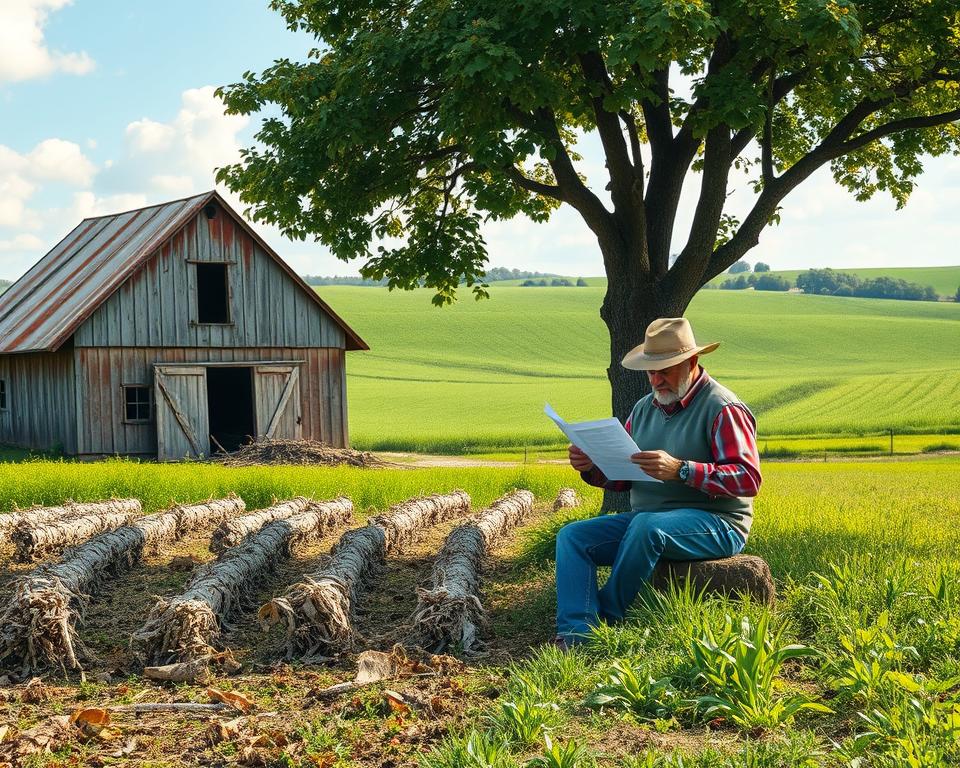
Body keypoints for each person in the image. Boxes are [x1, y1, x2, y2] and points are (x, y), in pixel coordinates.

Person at [555, 317, 761, 647]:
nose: (656, 379)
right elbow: (624, 479)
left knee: (648, 527)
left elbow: (748, 479)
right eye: (651, 371)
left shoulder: (723, 408)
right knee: (572, 536)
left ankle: (607, 618)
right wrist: (592, 467)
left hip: (718, 524)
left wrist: (681, 469)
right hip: (647, 522)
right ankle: (577, 631)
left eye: (665, 369)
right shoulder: (643, 408)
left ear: (692, 362)